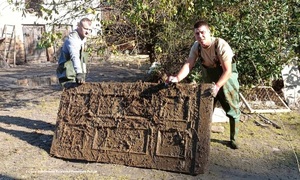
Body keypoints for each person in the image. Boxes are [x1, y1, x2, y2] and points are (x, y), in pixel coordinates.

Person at [167, 20, 241, 149]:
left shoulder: (220, 45)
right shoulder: (197, 47)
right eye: (197, 34)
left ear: (209, 32)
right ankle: (202, 136)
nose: (200, 36)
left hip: (227, 78)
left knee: (232, 108)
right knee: (206, 107)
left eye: (202, 32)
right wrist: (177, 78)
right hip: (209, 77)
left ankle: (233, 139)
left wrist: (217, 86)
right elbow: (189, 64)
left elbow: (228, 71)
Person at [56, 17, 92, 88]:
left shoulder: (83, 38)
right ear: (79, 26)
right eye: (85, 28)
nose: (87, 31)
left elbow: (82, 59)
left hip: (77, 74)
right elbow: (74, 56)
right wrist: (79, 72)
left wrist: (82, 73)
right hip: (68, 75)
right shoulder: (73, 39)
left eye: (89, 29)